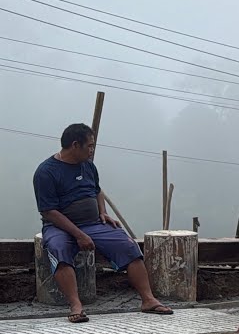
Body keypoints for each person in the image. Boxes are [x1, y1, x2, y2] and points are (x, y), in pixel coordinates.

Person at [33, 123, 173, 322]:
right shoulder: (46, 172)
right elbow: (49, 211)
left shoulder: (88, 166)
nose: (92, 150)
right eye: (89, 146)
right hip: (60, 227)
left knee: (128, 245)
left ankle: (148, 299)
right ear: (75, 145)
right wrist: (79, 235)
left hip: (93, 223)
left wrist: (103, 212)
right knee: (58, 248)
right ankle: (76, 304)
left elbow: (97, 191)